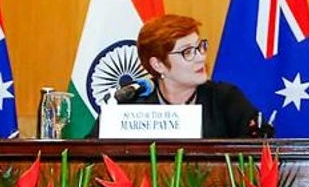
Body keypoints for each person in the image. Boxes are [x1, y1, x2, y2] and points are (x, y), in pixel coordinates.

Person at [87, 14, 272, 138]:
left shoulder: (225, 99)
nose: (200, 57)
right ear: (158, 64)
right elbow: (86, 157)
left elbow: (258, 153)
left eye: (200, 47)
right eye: (187, 52)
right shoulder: (129, 102)